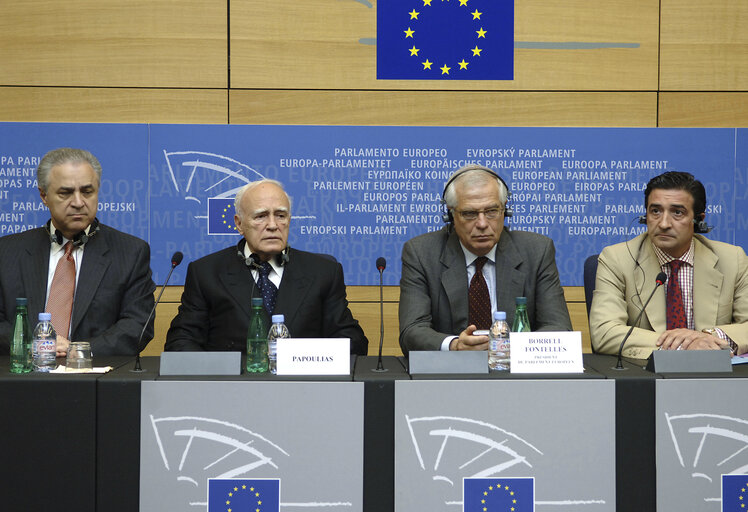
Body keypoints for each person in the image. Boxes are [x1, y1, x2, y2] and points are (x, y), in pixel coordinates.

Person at [165, 179, 368, 354]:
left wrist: (303, 358)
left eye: (280, 215)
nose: (272, 225)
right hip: (230, 390)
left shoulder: (323, 272)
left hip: (303, 388)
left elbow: (352, 341)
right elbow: (181, 343)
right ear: (239, 224)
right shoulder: (206, 272)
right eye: (261, 216)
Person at [398, 164, 572, 354]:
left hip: (515, 374)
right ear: (450, 215)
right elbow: (412, 331)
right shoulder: (421, 254)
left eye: (491, 211)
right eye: (470, 214)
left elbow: (559, 328)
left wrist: (509, 348)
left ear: (505, 210)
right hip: (451, 375)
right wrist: (455, 345)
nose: (482, 223)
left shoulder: (537, 251)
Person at [0, 148, 156, 356]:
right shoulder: (7, 251)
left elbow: (137, 325)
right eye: (65, 193)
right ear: (44, 195)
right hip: (21, 377)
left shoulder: (130, 253)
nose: (78, 202)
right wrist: (33, 345)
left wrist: (79, 350)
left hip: (94, 378)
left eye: (87, 191)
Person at [590, 171, 747, 358]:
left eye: (677, 213)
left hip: (715, 377)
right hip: (648, 378)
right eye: (655, 211)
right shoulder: (617, 259)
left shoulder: (732, 259)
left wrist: (708, 337)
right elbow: (604, 332)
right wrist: (684, 346)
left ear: (699, 220)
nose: (663, 223)